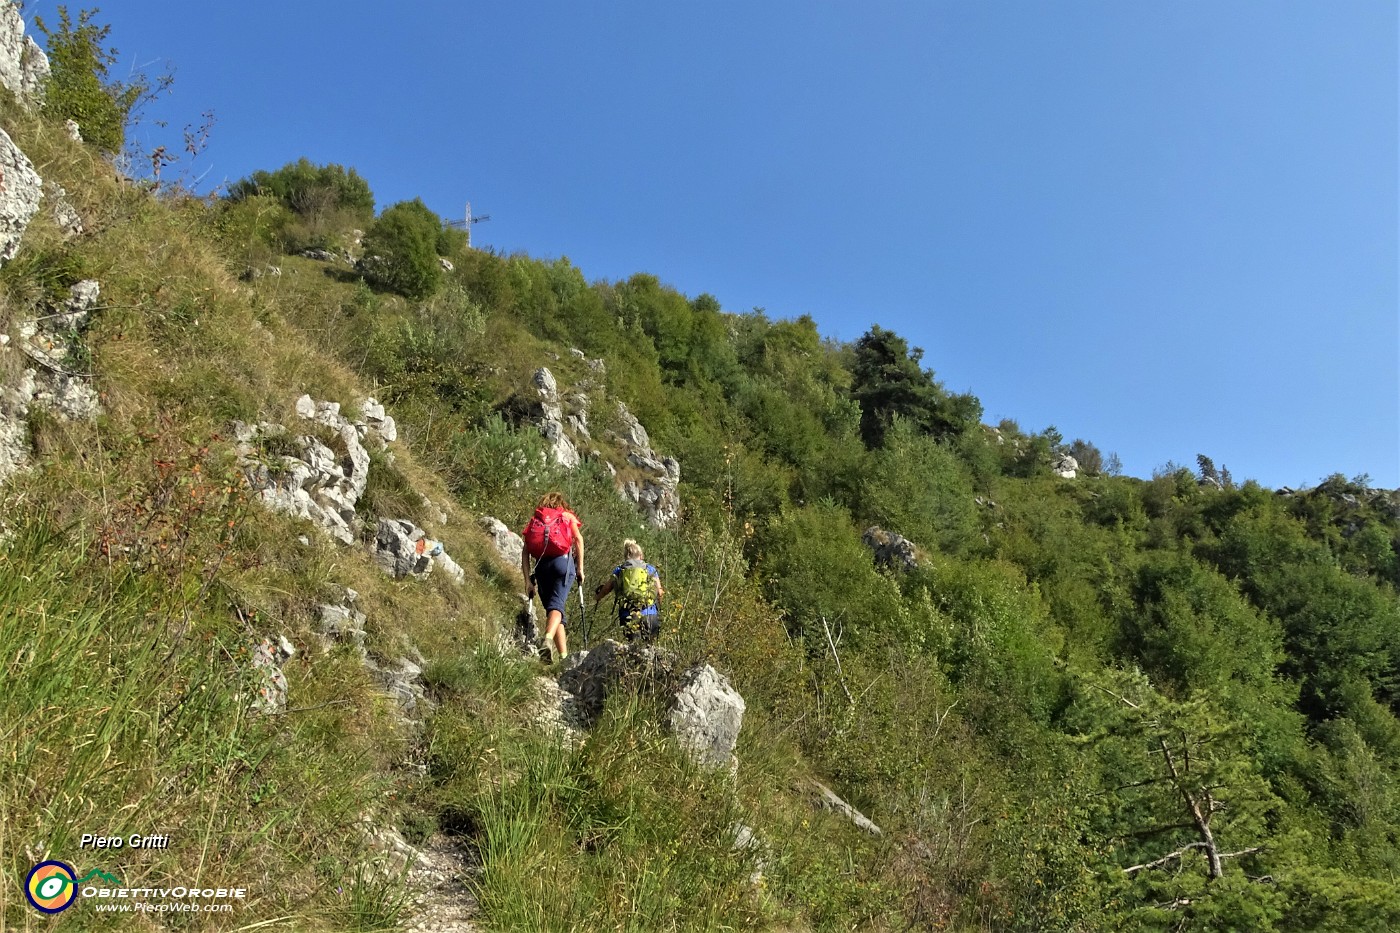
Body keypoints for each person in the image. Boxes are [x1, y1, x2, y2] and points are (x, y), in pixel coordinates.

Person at [521, 492, 584, 661]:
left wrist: (527, 580)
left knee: (555, 610)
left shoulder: (537, 519)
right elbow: (578, 540)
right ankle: (547, 640)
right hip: (562, 564)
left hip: (541, 567)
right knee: (557, 608)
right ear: (561, 504)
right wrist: (580, 569)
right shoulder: (567, 516)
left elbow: (525, 550)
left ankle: (563, 658)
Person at [594, 539, 664, 643]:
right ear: (641, 555)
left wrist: (597, 597)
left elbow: (606, 589)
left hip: (629, 615)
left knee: (633, 650)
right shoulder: (650, 569)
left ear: (626, 556)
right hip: (649, 614)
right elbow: (660, 592)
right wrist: (660, 608)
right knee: (650, 650)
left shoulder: (620, 570)